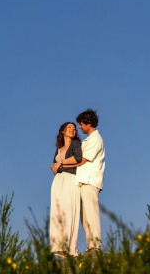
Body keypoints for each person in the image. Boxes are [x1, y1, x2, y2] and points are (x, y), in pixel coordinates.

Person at [51, 108, 105, 253]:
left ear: (88, 123)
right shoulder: (87, 140)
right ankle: (90, 246)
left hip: (89, 181)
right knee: (84, 218)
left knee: (91, 215)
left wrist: (60, 164)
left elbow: (81, 160)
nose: (79, 127)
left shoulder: (95, 139)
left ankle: (95, 247)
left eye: (80, 124)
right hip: (81, 181)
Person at [49, 122, 83, 257]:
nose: (72, 130)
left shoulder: (75, 144)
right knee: (57, 211)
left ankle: (69, 247)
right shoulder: (59, 148)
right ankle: (57, 245)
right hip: (58, 180)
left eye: (74, 128)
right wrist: (55, 167)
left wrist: (61, 164)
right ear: (63, 131)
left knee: (69, 210)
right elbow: (53, 165)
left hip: (70, 178)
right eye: (69, 127)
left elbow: (78, 158)